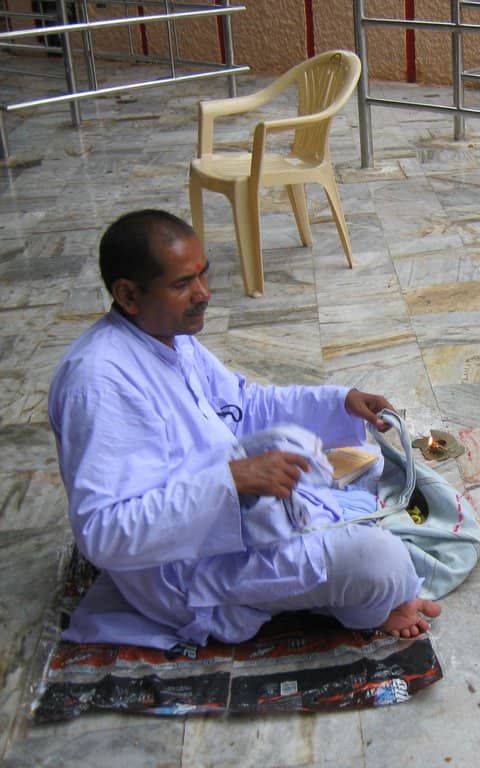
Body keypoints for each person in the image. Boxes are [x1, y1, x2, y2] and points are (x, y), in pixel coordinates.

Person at [48, 209, 440, 651]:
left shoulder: (170, 337)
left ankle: (341, 583)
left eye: (204, 274)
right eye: (182, 284)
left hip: (237, 520)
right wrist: (230, 482)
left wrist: (340, 402)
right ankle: (371, 606)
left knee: (344, 464)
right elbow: (103, 532)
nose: (203, 293)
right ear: (128, 294)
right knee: (381, 561)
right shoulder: (96, 383)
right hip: (185, 572)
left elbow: (243, 405)